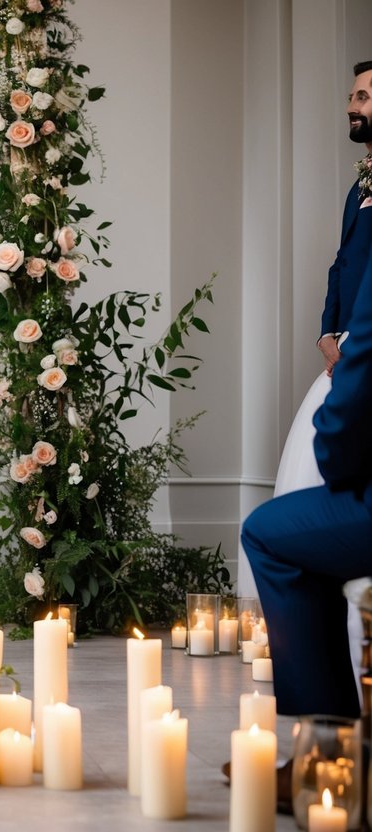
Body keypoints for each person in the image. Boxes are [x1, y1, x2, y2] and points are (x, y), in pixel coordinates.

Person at [266, 61, 372, 705]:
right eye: (353, 95)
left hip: (367, 357)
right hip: (348, 345)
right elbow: (342, 263)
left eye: (365, 95)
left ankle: (322, 736)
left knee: (320, 471)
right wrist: (328, 329)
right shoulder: (356, 186)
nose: (353, 104)